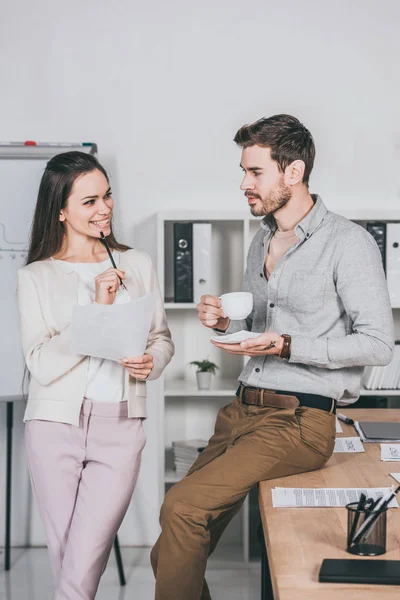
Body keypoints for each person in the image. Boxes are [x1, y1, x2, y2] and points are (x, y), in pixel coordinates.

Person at [150, 114, 394, 600]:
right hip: (241, 410)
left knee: (181, 508)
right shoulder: (262, 239)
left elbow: (377, 344)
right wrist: (225, 323)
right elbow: (257, 328)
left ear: (294, 172)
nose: (243, 183)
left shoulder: (348, 243)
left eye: (255, 171)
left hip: (299, 421)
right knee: (170, 542)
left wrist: (285, 344)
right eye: (244, 171)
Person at [17, 151, 174, 600]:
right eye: (89, 201)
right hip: (53, 428)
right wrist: (96, 311)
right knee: (70, 560)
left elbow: (161, 338)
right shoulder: (36, 277)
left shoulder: (137, 264)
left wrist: (152, 361)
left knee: (84, 559)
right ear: (60, 210)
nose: (103, 208)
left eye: (107, 196)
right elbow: (41, 364)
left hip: (121, 425)